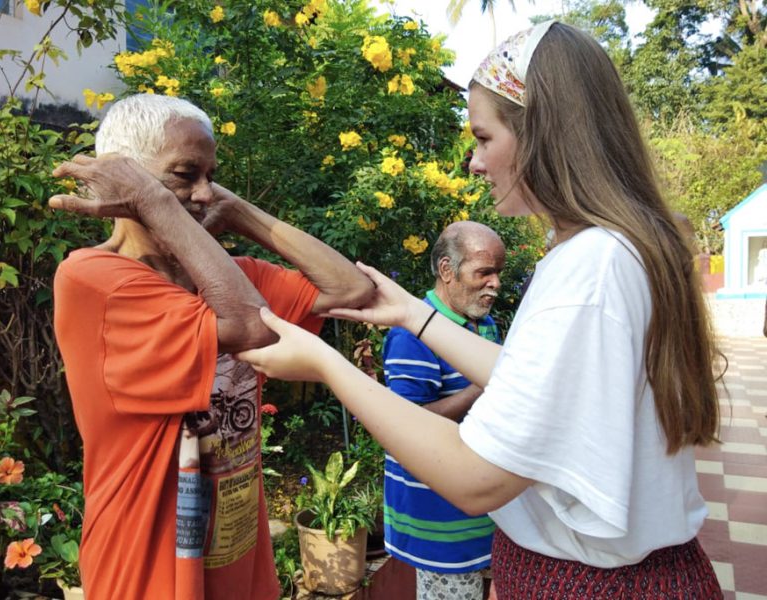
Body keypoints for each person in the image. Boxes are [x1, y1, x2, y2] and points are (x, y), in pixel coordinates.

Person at [236, 21, 724, 599]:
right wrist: (415, 315)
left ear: (543, 131)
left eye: (484, 138)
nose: (473, 162)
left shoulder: (589, 269)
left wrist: (324, 364)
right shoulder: (613, 248)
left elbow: (475, 477)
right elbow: (534, 386)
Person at [49, 94, 373, 600]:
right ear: (126, 180)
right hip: (146, 568)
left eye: (211, 176)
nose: (203, 193)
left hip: (237, 551)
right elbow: (249, 325)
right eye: (185, 174)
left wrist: (238, 211)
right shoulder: (95, 281)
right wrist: (154, 201)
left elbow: (351, 291)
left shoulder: (232, 278)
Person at [382, 221, 504, 599]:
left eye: (498, 273)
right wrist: (481, 388)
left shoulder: (486, 326)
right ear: (447, 272)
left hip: (484, 510)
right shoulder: (410, 334)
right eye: (484, 272)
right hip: (439, 522)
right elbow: (403, 425)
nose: (495, 283)